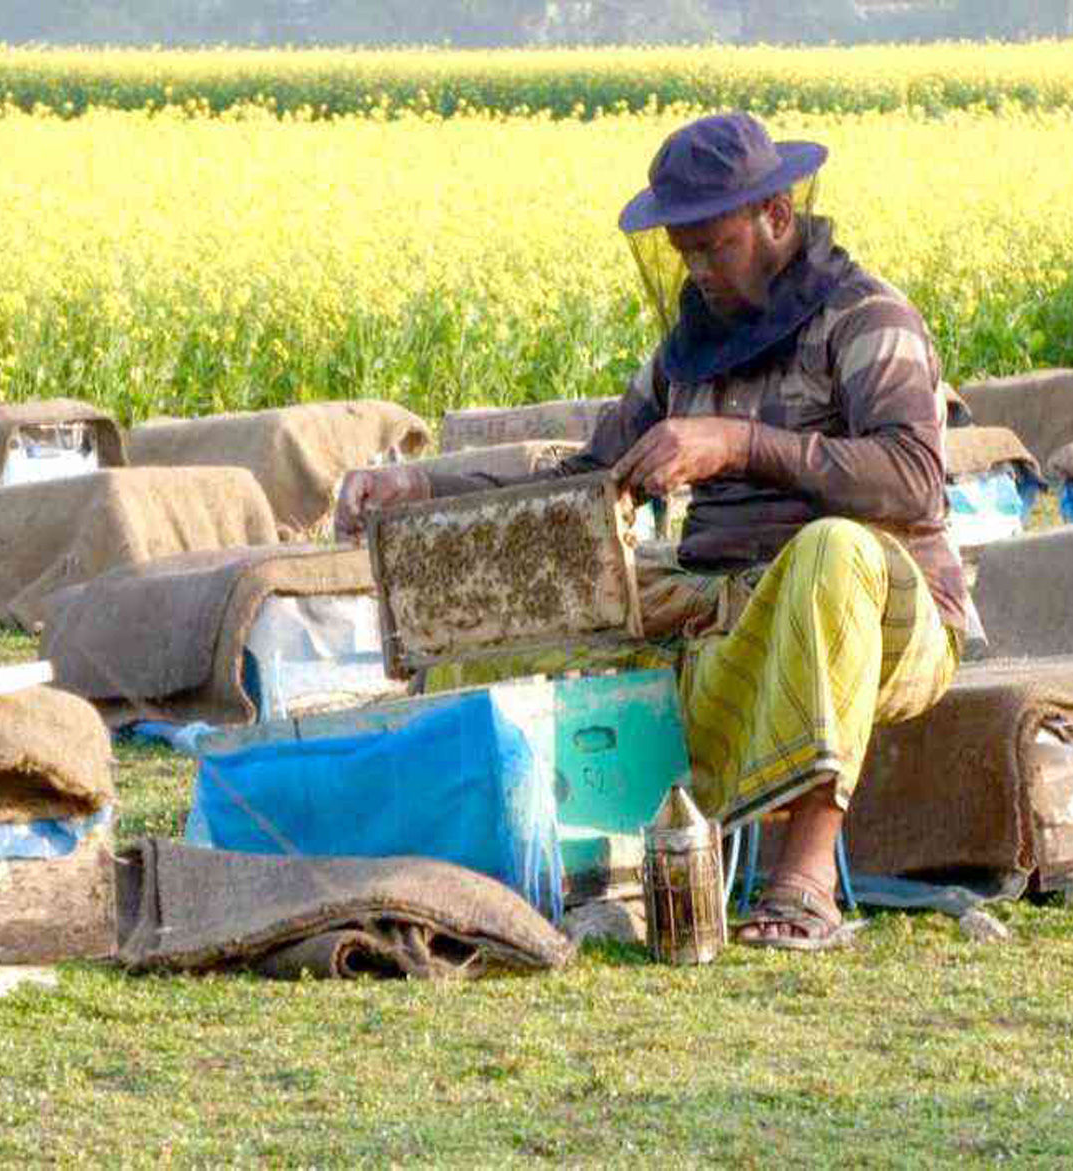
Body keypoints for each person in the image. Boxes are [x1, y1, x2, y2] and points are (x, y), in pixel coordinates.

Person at [335, 111, 972, 950]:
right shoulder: (687, 354)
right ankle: (521, 857)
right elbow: (581, 479)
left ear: (776, 217)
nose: (699, 270)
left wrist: (739, 444)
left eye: (715, 246)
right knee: (541, 587)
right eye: (685, 252)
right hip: (717, 598)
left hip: (882, 612)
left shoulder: (867, 319)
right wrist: (420, 483)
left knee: (831, 552)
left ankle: (805, 875)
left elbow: (912, 478)